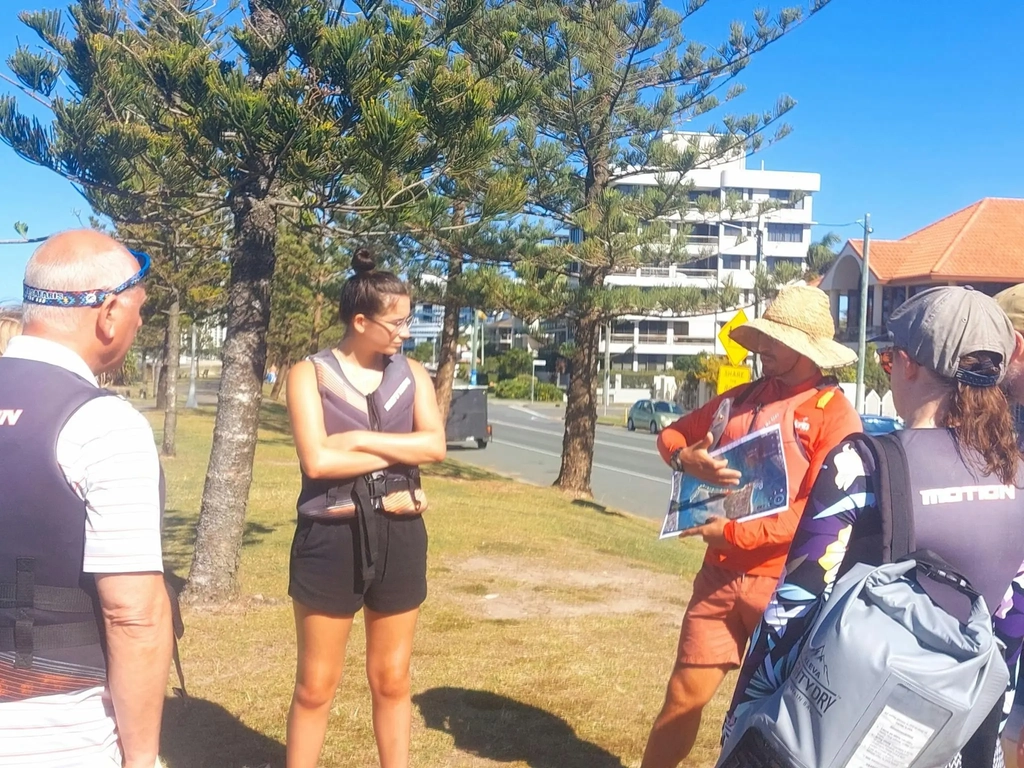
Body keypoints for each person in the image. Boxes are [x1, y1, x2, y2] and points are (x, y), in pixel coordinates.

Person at [726, 286, 1024, 768]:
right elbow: (1011, 626)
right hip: (944, 736)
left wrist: (742, 720)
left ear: (909, 365)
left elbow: (794, 605)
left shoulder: (863, 465)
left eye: (888, 361)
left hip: (843, 727)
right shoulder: (1017, 478)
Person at [641, 285, 861, 768]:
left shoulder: (836, 417)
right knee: (681, 698)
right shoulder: (739, 399)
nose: (761, 348)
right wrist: (683, 458)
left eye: (773, 341)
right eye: (761, 338)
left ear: (805, 348)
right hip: (718, 578)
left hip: (789, 586)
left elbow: (818, 514)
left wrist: (733, 534)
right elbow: (672, 434)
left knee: (778, 725)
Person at [0, 230, 172, 768]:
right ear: (110, 313)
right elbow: (132, 614)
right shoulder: (102, 424)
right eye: (140, 309)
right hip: (53, 731)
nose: (140, 324)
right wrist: (141, 758)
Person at [285, 248, 446, 768]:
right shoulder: (309, 374)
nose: (406, 332)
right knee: (316, 684)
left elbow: (435, 447)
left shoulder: (413, 374)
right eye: (396, 322)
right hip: (330, 539)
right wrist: (399, 451)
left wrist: (354, 440)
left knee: (393, 679)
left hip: (402, 534)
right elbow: (317, 461)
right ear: (360, 321)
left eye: (409, 320)